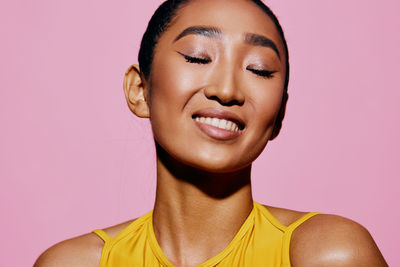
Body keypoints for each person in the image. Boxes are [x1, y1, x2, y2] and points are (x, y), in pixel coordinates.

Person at [34, 0, 387, 266]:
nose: (227, 89)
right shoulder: (75, 262)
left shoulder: (328, 254)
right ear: (140, 90)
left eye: (259, 70)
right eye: (198, 57)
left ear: (279, 113)